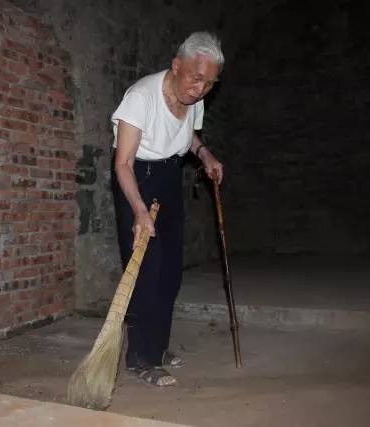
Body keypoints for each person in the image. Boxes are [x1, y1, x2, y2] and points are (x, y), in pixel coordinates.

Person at [110, 31, 224, 387]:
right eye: (195, 78)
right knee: (146, 271)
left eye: (209, 83)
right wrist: (139, 211)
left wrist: (204, 155)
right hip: (137, 179)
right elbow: (122, 163)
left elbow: (186, 135)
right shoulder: (141, 97)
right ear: (176, 66)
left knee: (170, 272)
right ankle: (139, 357)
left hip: (169, 177)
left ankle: (157, 348)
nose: (200, 89)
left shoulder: (194, 99)